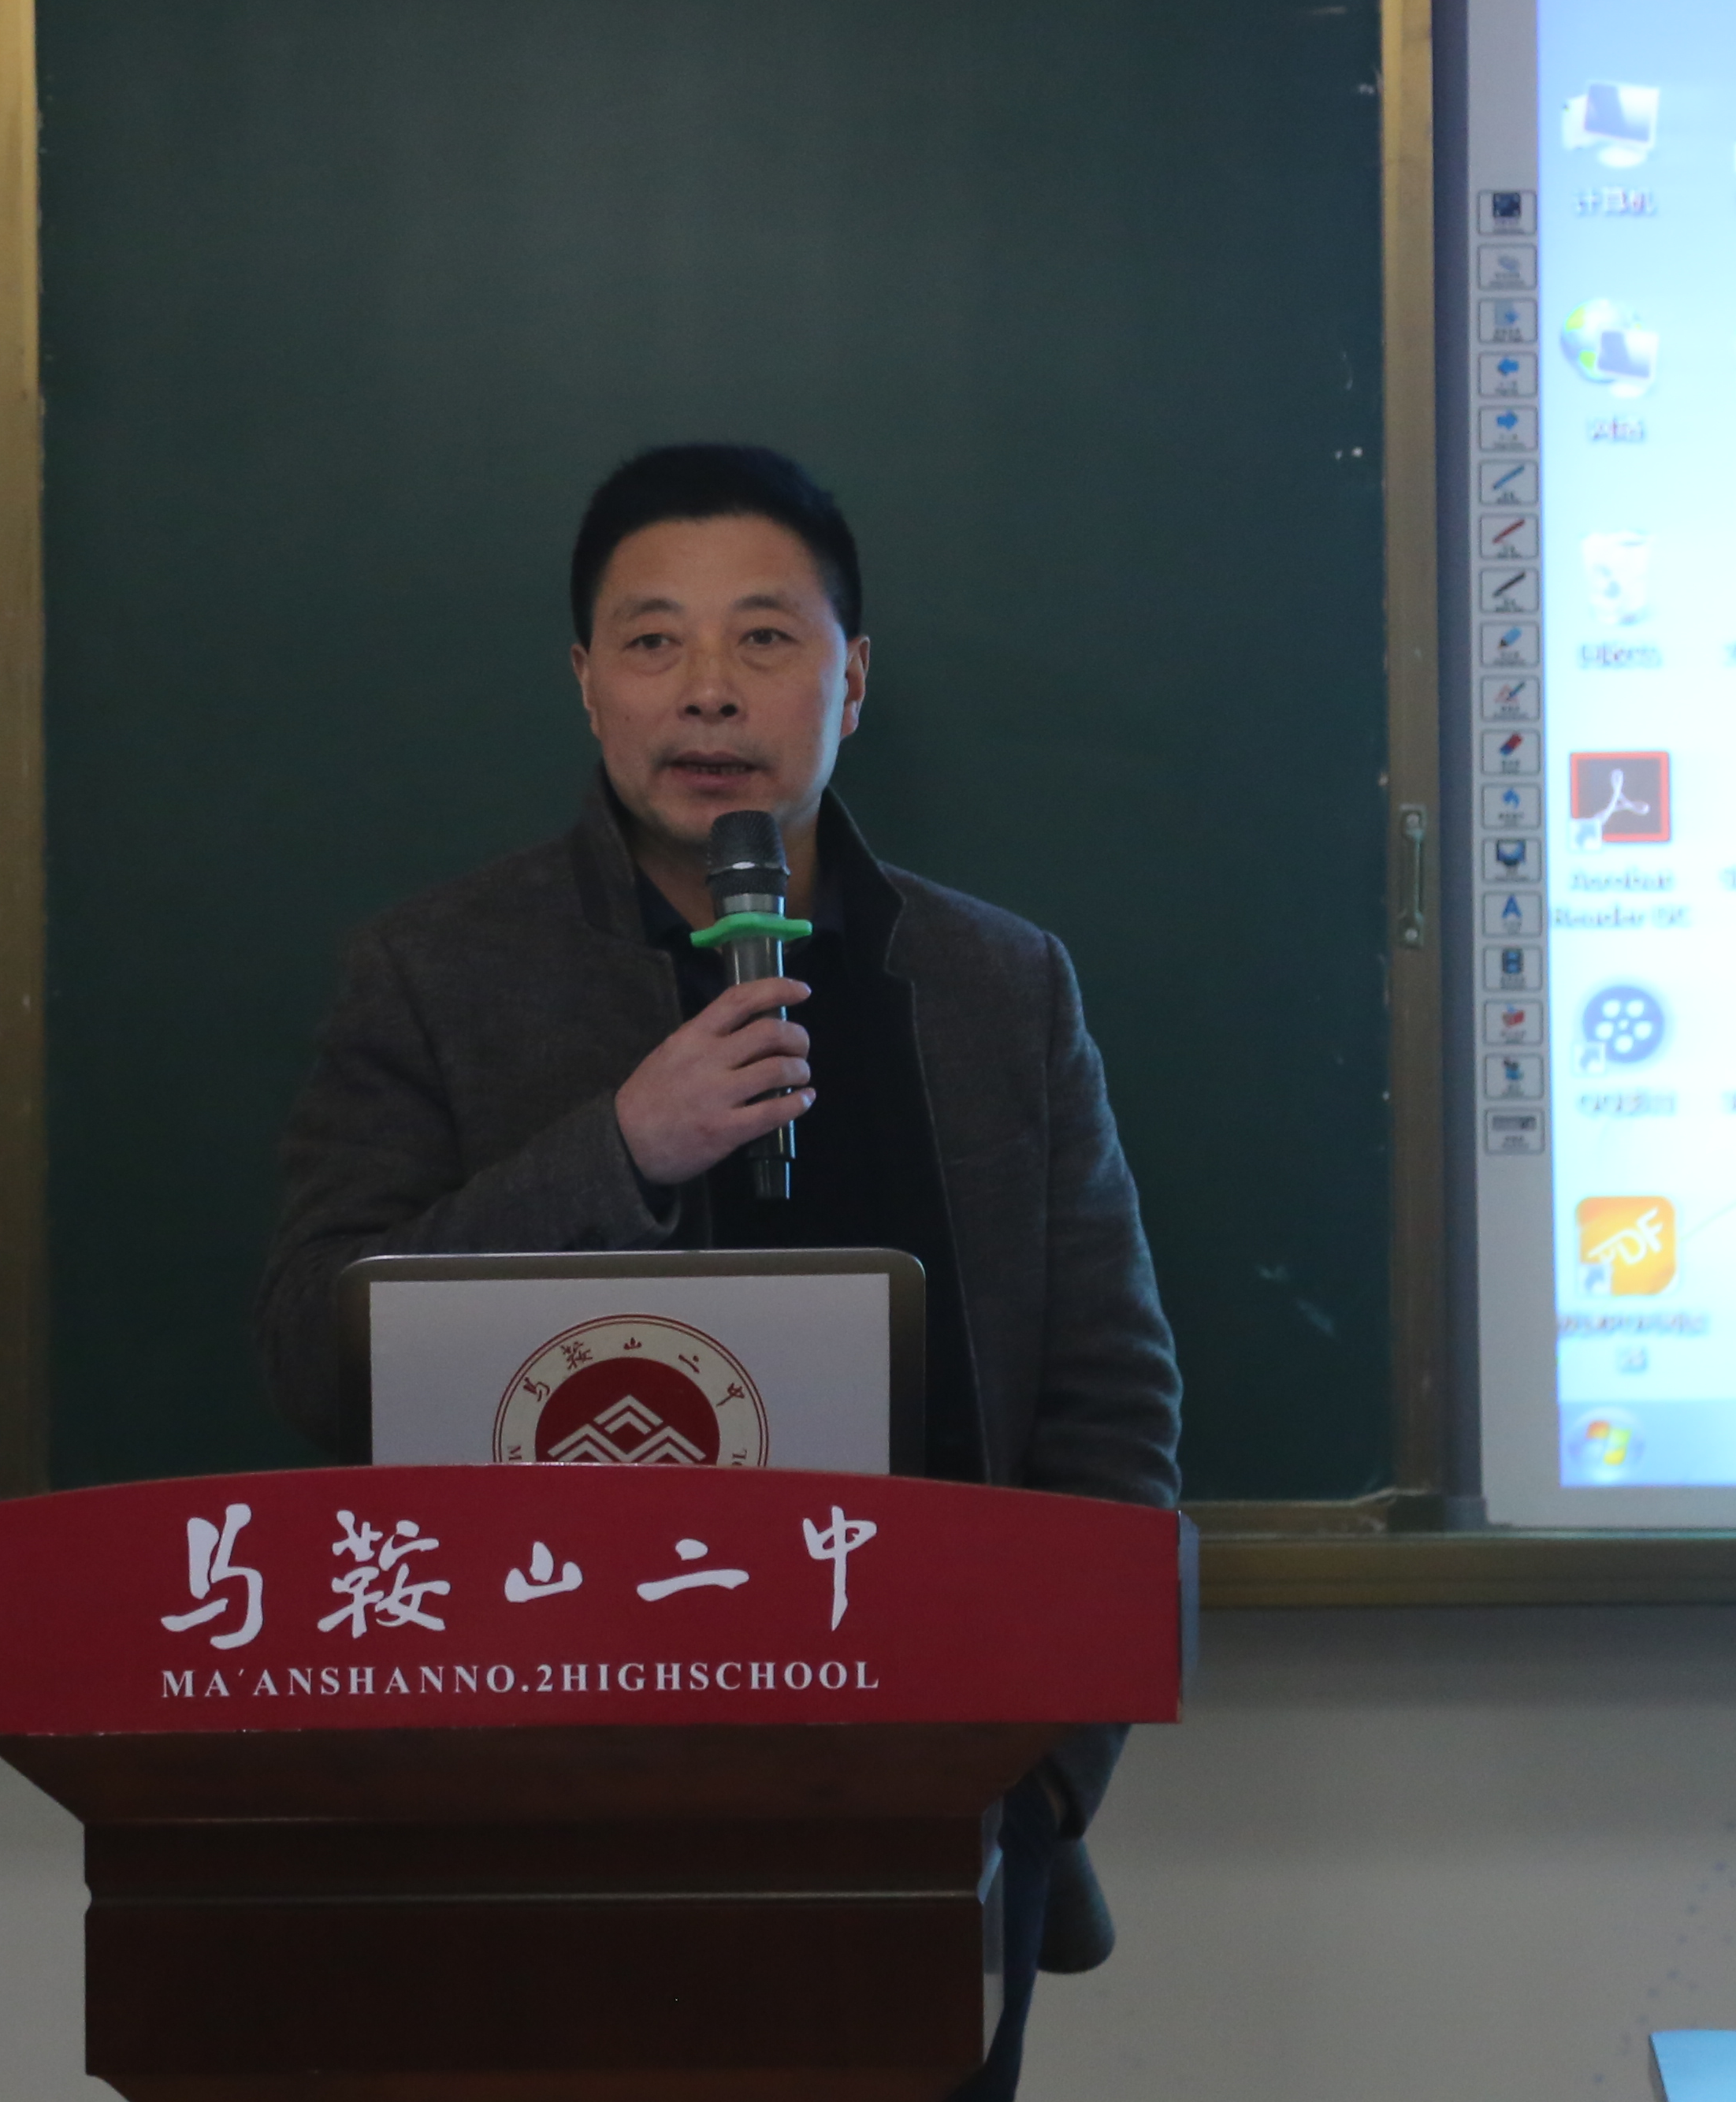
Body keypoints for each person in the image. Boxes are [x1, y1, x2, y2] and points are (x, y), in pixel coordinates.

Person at [258, 441, 1180, 2102]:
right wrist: (620, 1148)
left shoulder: (998, 987)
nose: (707, 691)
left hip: (932, 1816)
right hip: (534, 1813)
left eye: (764, 638)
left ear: (853, 679)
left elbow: (1111, 1408)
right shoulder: (432, 974)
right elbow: (320, 1354)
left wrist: (1044, 1778)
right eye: (652, 640)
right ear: (585, 683)